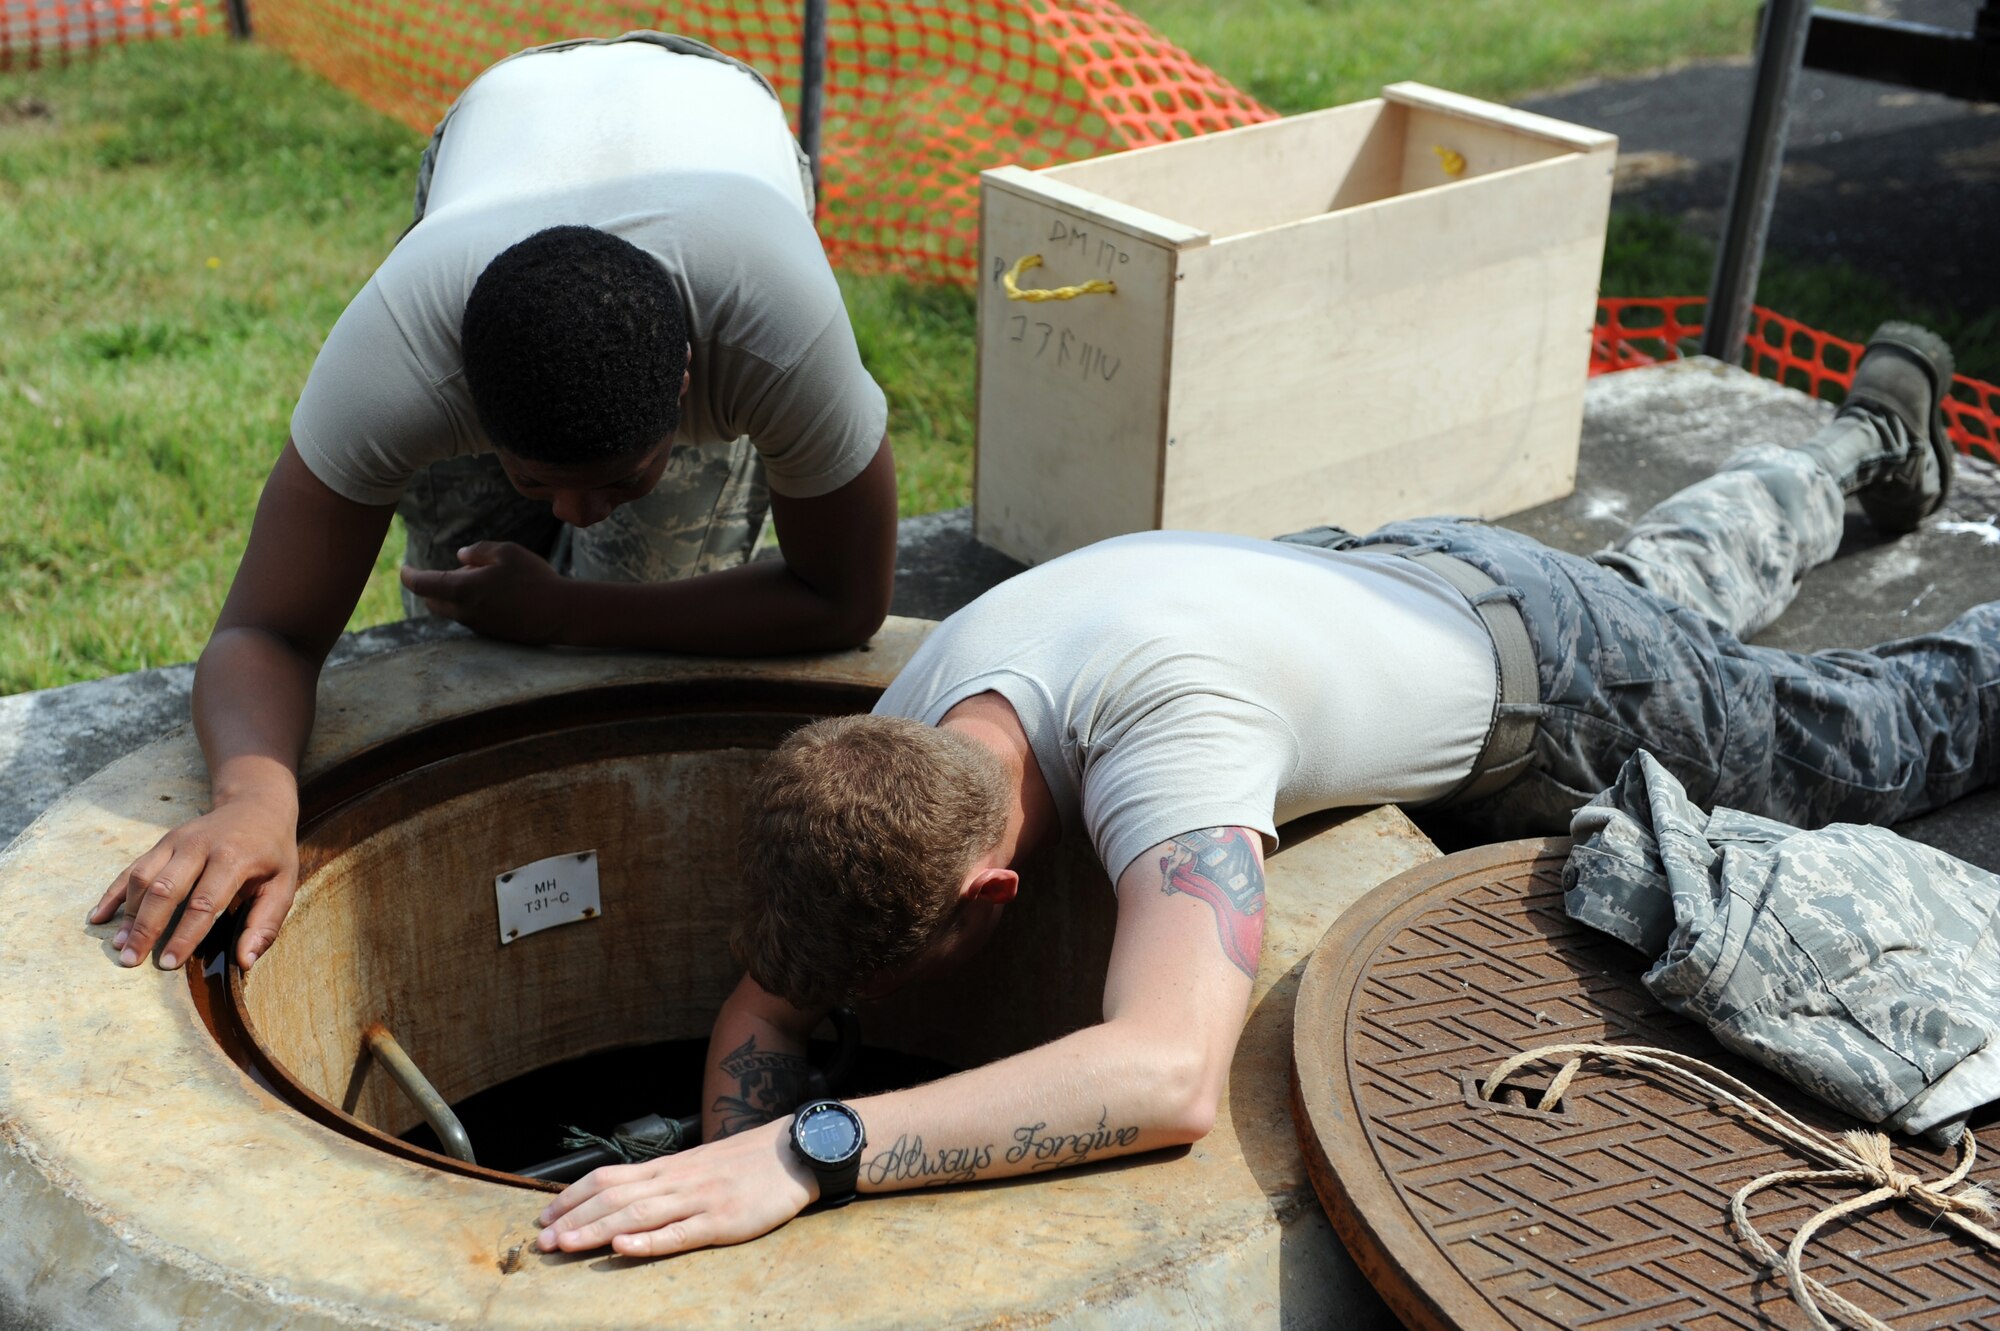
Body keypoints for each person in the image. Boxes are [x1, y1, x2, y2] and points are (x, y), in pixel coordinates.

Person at [531, 323, 1999, 1258]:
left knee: (1883, 729)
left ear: (993, 897)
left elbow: (1164, 1073)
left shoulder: (1171, 743)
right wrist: (716, 1158)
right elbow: (776, 995)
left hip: (1551, 680)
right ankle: (1862, 446)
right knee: (1665, 588)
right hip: (1391, 577)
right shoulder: (912, 736)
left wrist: (814, 1149)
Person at [89, 34, 899, 975]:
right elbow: (264, 631)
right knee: (464, 619)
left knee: (642, 628)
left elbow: (844, 598)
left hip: (716, 130)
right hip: (503, 114)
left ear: (688, 383)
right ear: (465, 397)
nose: (580, 512)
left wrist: (575, 612)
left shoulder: (775, 332)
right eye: (535, 479)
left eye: (622, 478)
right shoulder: (395, 359)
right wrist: (253, 796)